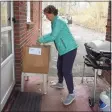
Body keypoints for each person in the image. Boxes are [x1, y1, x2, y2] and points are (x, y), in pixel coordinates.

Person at [37, 5, 78, 105]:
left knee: (66, 71)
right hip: (63, 50)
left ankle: (72, 93)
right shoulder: (54, 21)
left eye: (47, 15)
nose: (46, 17)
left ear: (51, 13)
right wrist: (43, 38)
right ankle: (60, 83)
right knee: (59, 67)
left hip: (69, 49)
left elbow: (53, 36)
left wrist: (41, 39)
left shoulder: (58, 22)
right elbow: (54, 35)